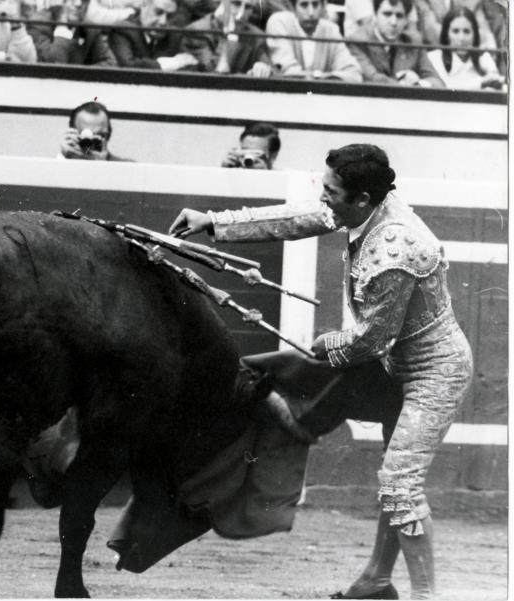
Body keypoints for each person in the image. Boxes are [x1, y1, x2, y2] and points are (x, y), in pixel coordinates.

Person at [168, 143, 473, 600]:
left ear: (362, 200)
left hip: (435, 372)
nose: (323, 196)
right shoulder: (366, 206)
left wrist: (324, 343)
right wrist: (215, 221)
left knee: (399, 482)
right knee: (395, 480)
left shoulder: (399, 245)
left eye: (330, 190)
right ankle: (376, 581)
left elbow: (371, 340)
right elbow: (301, 218)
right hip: (395, 367)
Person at [347, 0, 445, 87]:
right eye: (387, 14)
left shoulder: (413, 43)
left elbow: (438, 82)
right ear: (375, 15)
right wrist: (408, 86)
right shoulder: (357, 42)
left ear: (406, 20)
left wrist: (419, 83)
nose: (393, 22)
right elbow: (372, 78)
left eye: (399, 16)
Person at [265, 0, 362, 81]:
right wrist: (324, 77)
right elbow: (288, 71)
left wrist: (318, 76)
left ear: (323, 7)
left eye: (315, 5)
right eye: (304, 5)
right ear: (294, 9)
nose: (311, 12)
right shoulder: (279, 22)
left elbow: (353, 73)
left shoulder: (331, 29)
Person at [181, 0, 274, 76]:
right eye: (236, 4)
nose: (241, 15)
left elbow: (276, 75)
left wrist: (264, 69)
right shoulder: (197, 31)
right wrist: (231, 38)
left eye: (248, 7)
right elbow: (214, 74)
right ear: (221, 4)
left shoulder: (256, 36)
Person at [425, 7, 505, 90]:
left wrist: (494, 79)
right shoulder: (434, 58)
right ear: (446, 35)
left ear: (475, 35)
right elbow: (445, 88)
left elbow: (497, 85)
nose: (461, 38)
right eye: (455, 31)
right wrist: (482, 82)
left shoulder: (484, 57)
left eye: (466, 31)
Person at [108, 0, 200, 70]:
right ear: (144, 5)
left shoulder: (175, 35)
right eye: (158, 12)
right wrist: (169, 64)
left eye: (170, 16)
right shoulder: (123, 30)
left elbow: (191, 65)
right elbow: (127, 66)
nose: (163, 21)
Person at [27, 0, 118, 65]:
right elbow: (53, 69)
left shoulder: (89, 28)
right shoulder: (38, 25)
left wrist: (80, 78)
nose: (79, 4)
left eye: (84, 0)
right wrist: (62, 31)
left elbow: (110, 63)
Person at [58, 101, 134, 161]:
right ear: (72, 133)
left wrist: (103, 167)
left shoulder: (128, 167)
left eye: (100, 136)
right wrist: (63, 158)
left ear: (109, 135)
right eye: (86, 137)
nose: (91, 143)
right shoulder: (60, 164)